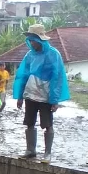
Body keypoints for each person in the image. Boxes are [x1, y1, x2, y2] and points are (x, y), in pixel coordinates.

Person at [14, 24, 70, 163]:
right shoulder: (29, 55)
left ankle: (47, 153)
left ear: (40, 40)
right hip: (30, 95)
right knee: (29, 122)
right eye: (30, 40)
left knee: (47, 124)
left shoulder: (53, 54)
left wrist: (54, 100)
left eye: (33, 39)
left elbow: (57, 78)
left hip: (46, 97)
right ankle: (30, 150)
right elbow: (23, 75)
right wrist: (20, 96)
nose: (31, 42)